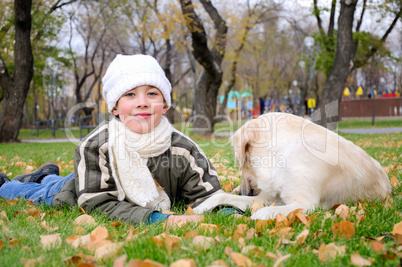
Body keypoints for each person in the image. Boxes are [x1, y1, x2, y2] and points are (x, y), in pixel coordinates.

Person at [0, 54, 237, 225]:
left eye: (152, 93)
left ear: (165, 105)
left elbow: (206, 194)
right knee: (38, 193)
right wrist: (156, 219)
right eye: (130, 94)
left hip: (92, 178)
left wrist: (227, 212)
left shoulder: (184, 149)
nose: (142, 102)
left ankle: (46, 175)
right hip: (75, 191)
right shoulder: (98, 145)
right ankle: (16, 183)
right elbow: (97, 203)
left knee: (52, 182)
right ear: (115, 107)